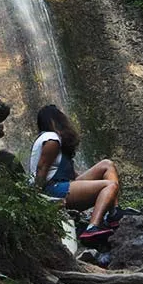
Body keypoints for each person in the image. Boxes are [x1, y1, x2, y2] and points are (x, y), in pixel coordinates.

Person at [29, 104, 123, 242]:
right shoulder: (51, 139)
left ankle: (114, 213)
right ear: (55, 119)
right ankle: (92, 227)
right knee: (110, 186)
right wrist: (37, 200)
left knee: (107, 165)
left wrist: (87, 187)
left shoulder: (56, 140)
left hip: (63, 185)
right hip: (51, 189)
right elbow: (41, 169)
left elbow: (72, 176)